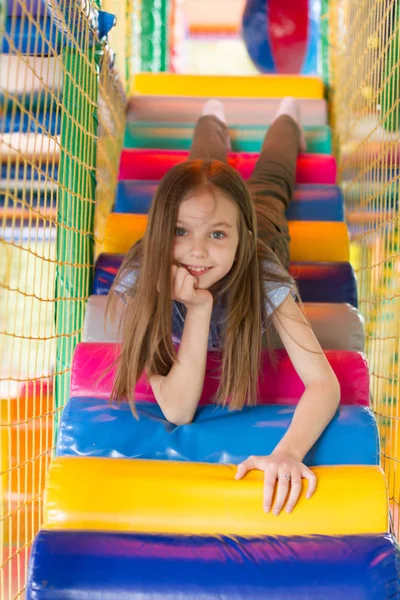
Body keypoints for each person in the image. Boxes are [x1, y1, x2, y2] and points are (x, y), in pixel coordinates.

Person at [107, 97, 341, 516]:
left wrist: (287, 452)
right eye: (180, 232)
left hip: (262, 227)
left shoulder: (261, 268)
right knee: (201, 172)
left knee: (270, 184)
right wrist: (198, 309)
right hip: (224, 226)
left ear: (239, 240)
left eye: (217, 236)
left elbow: (324, 383)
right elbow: (177, 410)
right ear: (163, 230)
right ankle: (212, 117)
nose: (197, 253)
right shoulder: (143, 278)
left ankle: (287, 116)